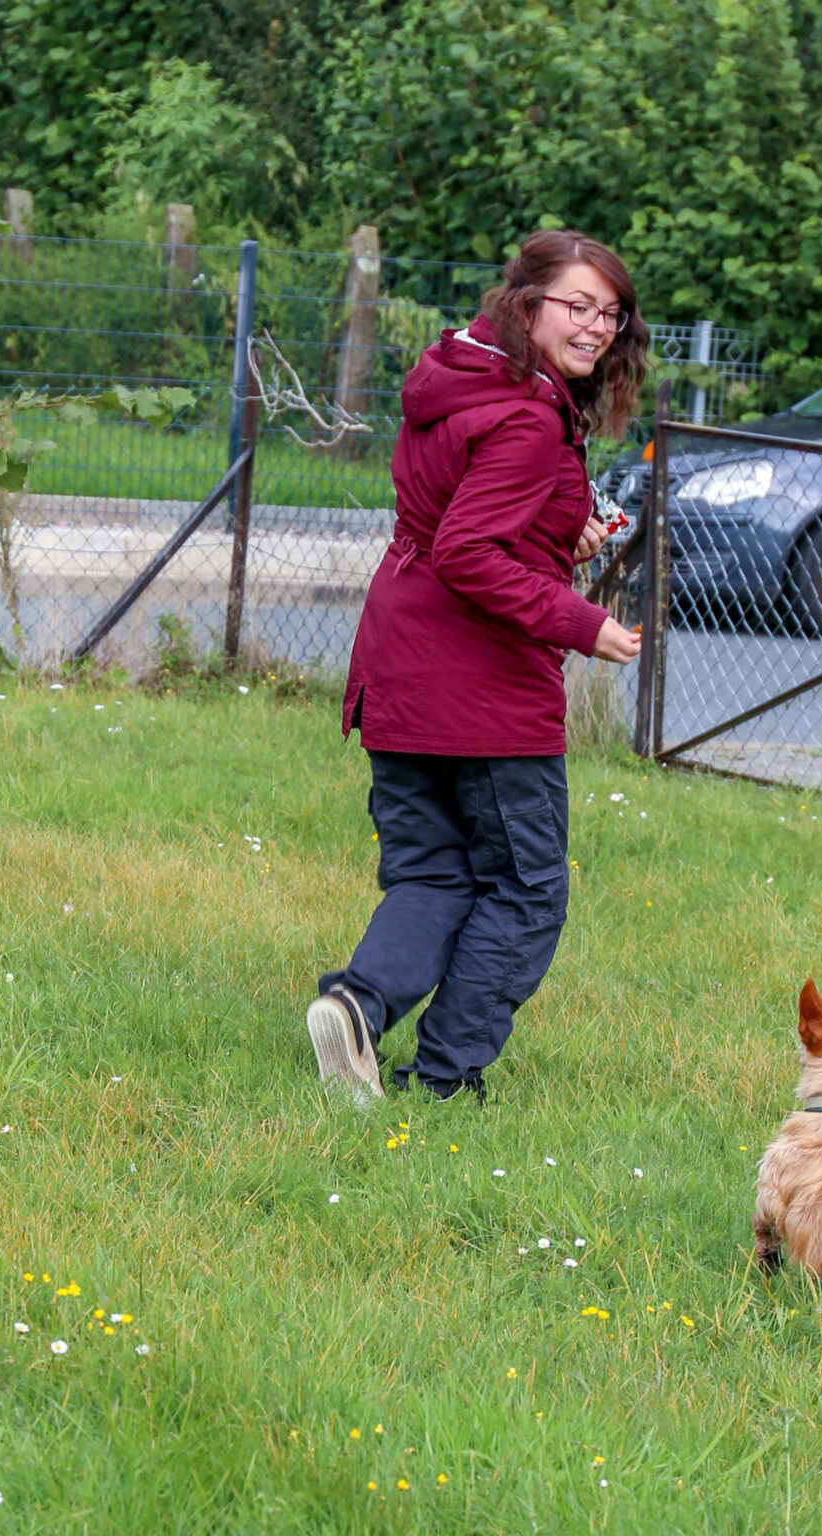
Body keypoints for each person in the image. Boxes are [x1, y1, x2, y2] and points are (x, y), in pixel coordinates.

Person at [306, 229, 650, 1104]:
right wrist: (582, 623)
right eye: (578, 305)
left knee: (432, 873)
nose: (598, 327)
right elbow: (468, 551)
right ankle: (446, 1077)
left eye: (610, 313)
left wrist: (550, 533)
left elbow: (453, 514)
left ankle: (356, 1004)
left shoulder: (460, 379)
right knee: (529, 892)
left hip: (400, 657)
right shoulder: (532, 418)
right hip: (482, 687)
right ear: (529, 304)